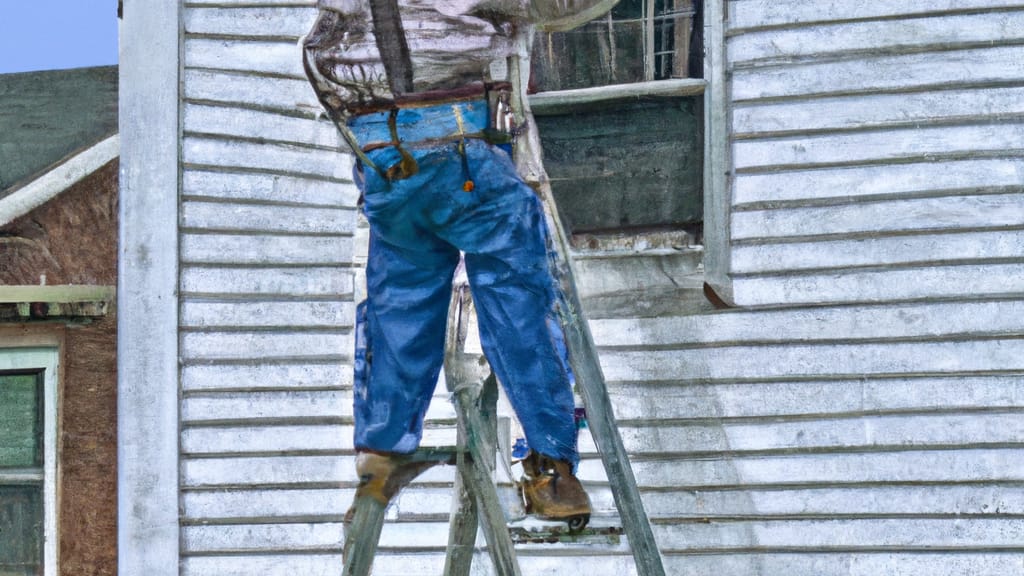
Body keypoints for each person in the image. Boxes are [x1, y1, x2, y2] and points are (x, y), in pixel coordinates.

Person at [302, 0, 618, 525]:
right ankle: (552, 469)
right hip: (462, 141)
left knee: (398, 306)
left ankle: (381, 458)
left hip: (383, 152)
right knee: (518, 299)